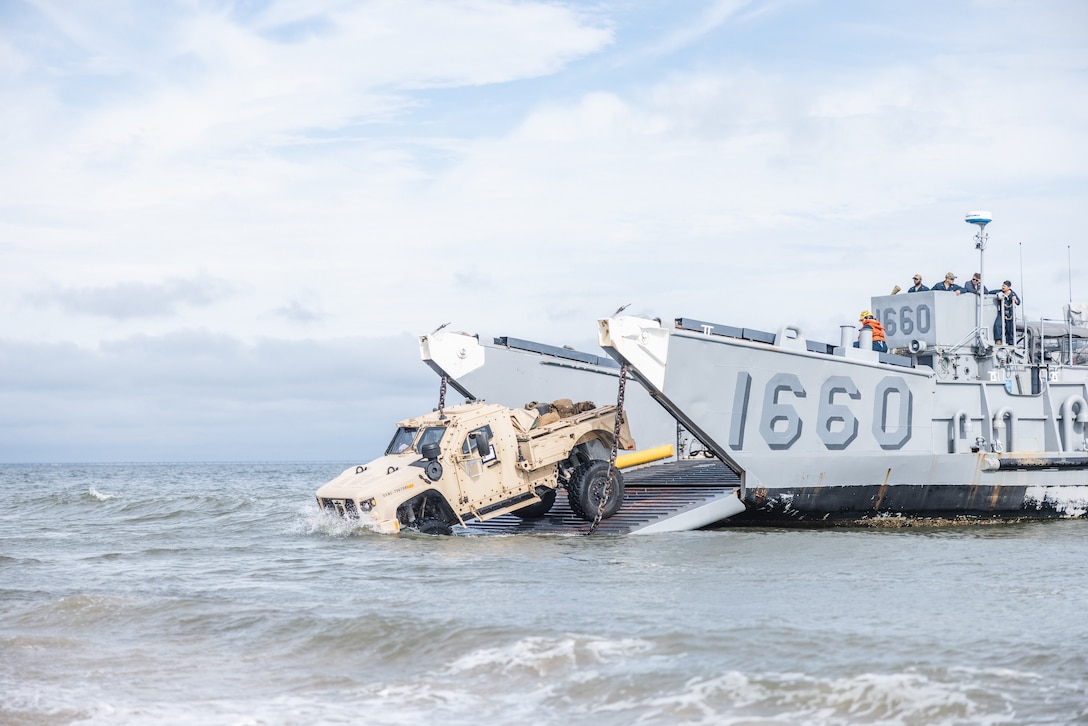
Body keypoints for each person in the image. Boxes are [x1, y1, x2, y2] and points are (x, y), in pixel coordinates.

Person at [993, 280, 1021, 345]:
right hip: (1002, 312)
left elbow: (1018, 302)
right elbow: (991, 292)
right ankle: (998, 340)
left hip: (1010, 313)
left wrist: (1015, 300)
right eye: (1002, 285)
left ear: (1009, 287)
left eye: (1004, 286)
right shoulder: (1000, 292)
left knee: (1010, 328)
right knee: (998, 325)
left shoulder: (1013, 294)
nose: (1003, 287)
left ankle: (1010, 342)